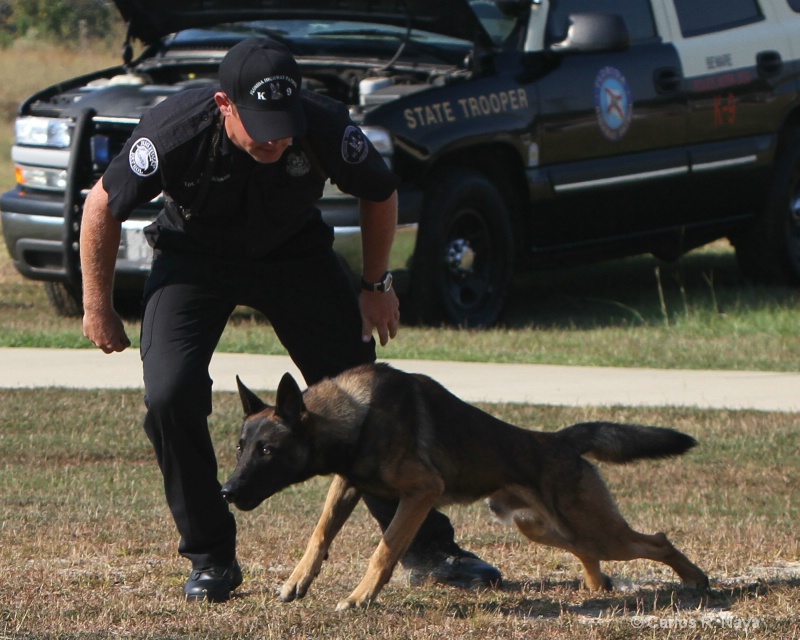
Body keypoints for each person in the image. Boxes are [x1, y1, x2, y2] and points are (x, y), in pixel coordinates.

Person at [80, 37, 501, 603]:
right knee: (170, 394)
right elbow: (102, 204)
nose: (277, 135)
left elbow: (380, 191)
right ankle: (211, 558)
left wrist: (376, 285)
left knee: (365, 394)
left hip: (294, 256)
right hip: (194, 259)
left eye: (284, 120)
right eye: (260, 122)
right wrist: (97, 306)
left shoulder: (321, 124)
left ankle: (428, 547)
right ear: (225, 106)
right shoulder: (175, 130)